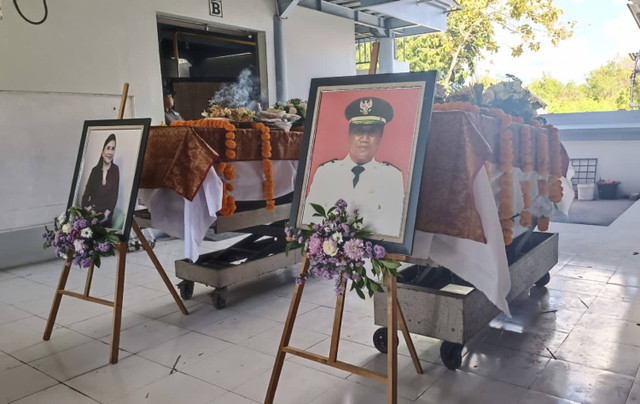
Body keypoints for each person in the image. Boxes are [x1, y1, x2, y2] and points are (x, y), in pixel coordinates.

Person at [303, 97, 405, 237]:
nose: (364, 138)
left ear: (380, 137)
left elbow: (394, 227)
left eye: (372, 132)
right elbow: (308, 221)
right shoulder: (325, 172)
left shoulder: (392, 177)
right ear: (349, 135)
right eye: (358, 131)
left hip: (371, 255)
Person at [81, 134, 120, 228]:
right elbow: (85, 198)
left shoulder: (115, 170)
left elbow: (113, 199)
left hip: (106, 218)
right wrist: (92, 212)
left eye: (113, 148)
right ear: (103, 151)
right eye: (108, 148)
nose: (110, 152)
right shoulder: (95, 171)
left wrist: (103, 217)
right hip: (92, 214)